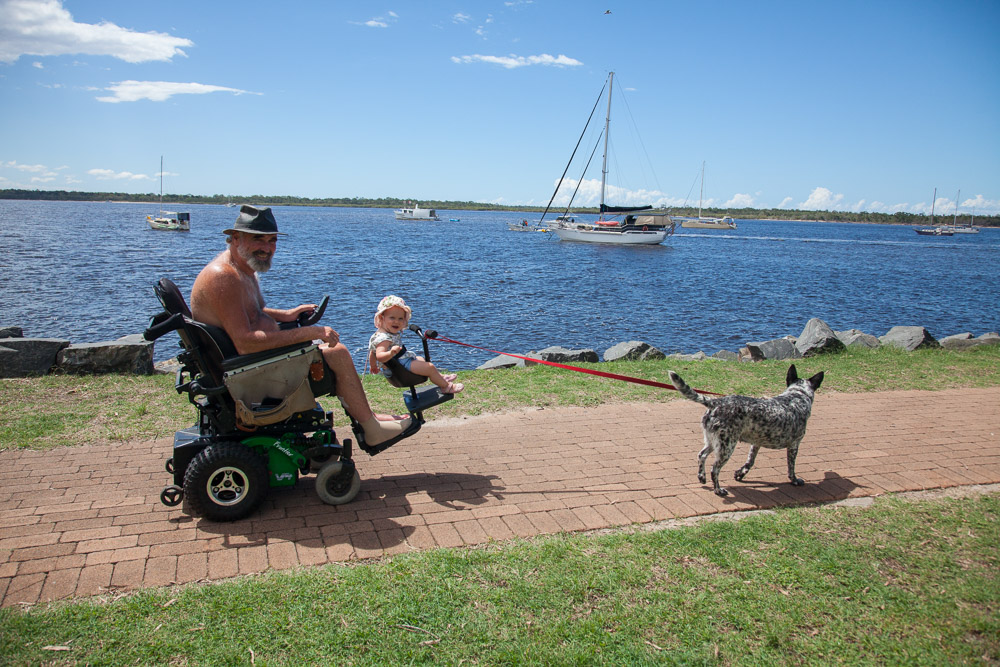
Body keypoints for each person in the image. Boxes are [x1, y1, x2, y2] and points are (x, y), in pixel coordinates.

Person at [190, 205, 410, 445]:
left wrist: (285, 315)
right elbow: (245, 342)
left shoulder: (241, 268)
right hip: (243, 372)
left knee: (330, 350)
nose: (266, 248)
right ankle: (372, 429)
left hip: (243, 362)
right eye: (258, 239)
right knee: (337, 352)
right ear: (235, 238)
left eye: (272, 240)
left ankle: (369, 419)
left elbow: (244, 313)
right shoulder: (224, 276)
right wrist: (312, 332)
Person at [369, 295, 463, 394]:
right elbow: (379, 356)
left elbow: (373, 351)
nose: (396, 321)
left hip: (400, 362)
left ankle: (440, 377)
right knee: (429, 367)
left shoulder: (380, 334)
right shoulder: (384, 339)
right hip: (399, 367)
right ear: (381, 318)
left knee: (421, 359)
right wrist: (391, 353)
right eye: (392, 318)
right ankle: (447, 387)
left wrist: (373, 366)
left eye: (400, 318)